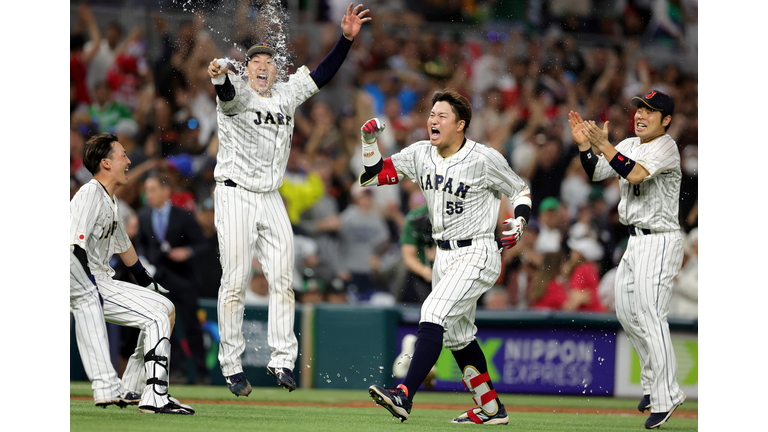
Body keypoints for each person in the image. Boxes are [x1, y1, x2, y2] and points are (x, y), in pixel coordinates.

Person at [207, 3, 371, 396]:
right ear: (245, 68)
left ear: (275, 68)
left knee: (283, 279)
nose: (262, 65)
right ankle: (231, 365)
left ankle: (282, 360)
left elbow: (322, 75)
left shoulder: (285, 93)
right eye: (255, 61)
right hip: (235, 194)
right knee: (236, 280)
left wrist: (345, 41)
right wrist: (218, 80)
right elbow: (227, 96)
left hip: (270, 195)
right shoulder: (239, 94)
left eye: (268, 60)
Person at [360, 89, 532, 424]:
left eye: (442, 116)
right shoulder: (422, 153)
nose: (433, 120)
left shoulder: (483, 158)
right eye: (431, 114)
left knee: (433, 312)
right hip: (444, 256)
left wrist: (520, 219)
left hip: (478, 250)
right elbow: (373, 175)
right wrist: (369, 143)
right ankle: (492, 408)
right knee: (457, 336)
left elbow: (519, 189)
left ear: (460, 125)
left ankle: (403, 395)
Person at [569, 90, 686, 429]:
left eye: (650, 110)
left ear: (665, 120)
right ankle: (654, 385)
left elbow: (634, 174)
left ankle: (667, 394)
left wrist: (604, 145)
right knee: (625, 311)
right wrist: (583, 147)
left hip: (660, 240)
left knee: (651, 314)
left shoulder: (666, 146)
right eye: (639, 108)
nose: (640, 114)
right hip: (635, 241)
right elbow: (596, 172)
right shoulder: (631, 144)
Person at [70, 132, 193, 414]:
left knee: (166, 308)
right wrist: (87, 290)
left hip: (100, 280)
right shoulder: (90, 193)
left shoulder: (110, 201)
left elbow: (127, 252)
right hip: (85, 281)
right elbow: (73, 245)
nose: (128, 160)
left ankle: (134, 388)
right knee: (156, 317)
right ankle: (156, 394)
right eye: (122, 155)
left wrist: (150, 285)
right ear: (106, 163)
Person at [135, 172, 210, 385]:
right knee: (167, 328)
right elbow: (141, 243)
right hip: (160, 280)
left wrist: (187, 251)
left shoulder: (183, 215)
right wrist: (141, 259)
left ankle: (201, 373)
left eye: (152, 190)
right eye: (147, 191)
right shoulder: (143, 216)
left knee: (192, 327)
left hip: (184, 279)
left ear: (166, 191)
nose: (148, 195)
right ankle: (176, 371)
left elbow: (202, 244)